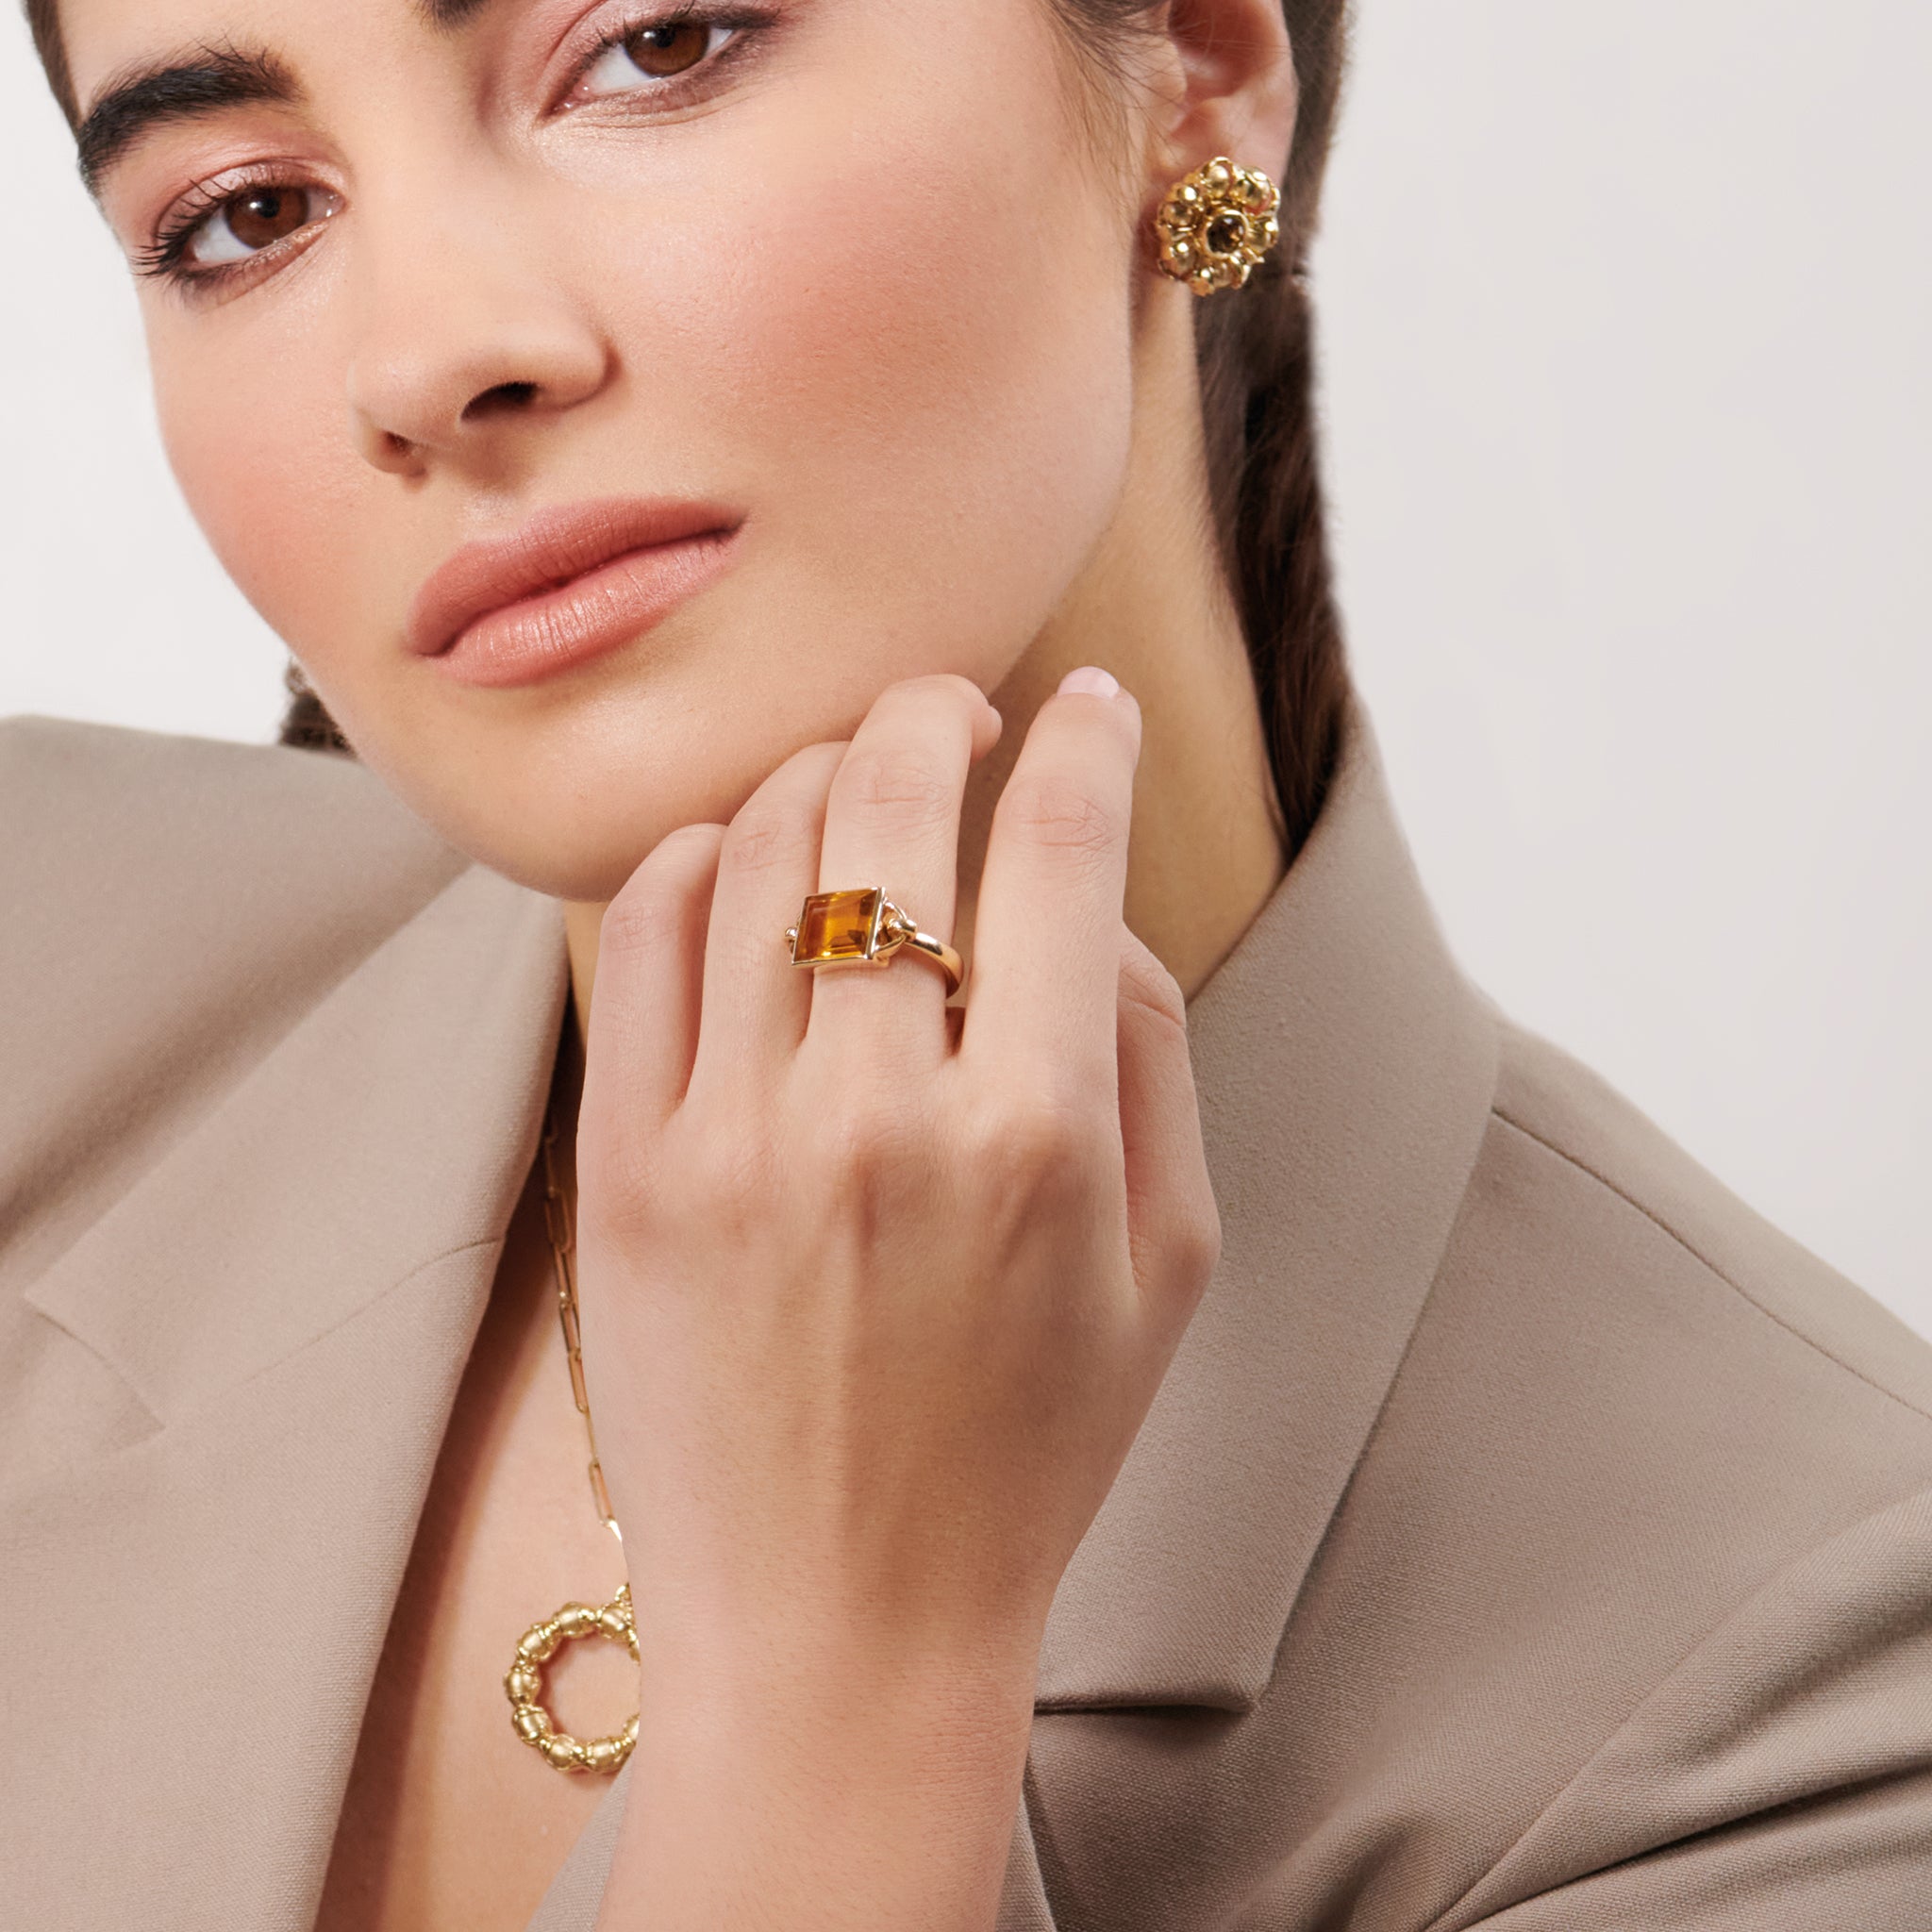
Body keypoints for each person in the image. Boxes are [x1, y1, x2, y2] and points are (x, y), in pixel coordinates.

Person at [3, 0, 1928, 1926]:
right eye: (243, 216)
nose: (423, 357)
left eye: (655, 43)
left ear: (1195, 64)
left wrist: (839, 1694)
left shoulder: (1802, 1695)